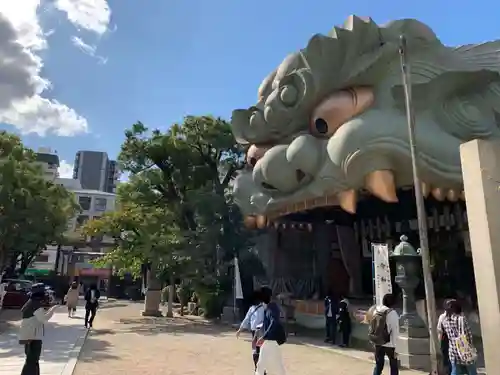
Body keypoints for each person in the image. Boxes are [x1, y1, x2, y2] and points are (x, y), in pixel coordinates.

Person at [19, 283, 58, 375]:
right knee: (32, 360)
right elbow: (44, 319)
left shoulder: (31, 302)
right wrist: (53, 309)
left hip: (28, 335)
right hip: (33, 337)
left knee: (31, 360)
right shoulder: (35, 305)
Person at [255, 286, 287, 375]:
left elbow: (274, 322)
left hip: (271, 340)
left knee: (262, 365)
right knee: (275, 365)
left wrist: (264, 337)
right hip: (270, 340)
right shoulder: (269, 307)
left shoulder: (272, 307)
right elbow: (270, 322)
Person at [441, 299, 478, 375]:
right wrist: (471, 346)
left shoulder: (444, 320)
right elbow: (467, 335)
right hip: (465, 350)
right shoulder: (461, 319)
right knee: (472, 371)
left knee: (455, 371)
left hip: (453, 350)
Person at [369, 293, 400, 375]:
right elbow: (395, 331)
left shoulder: (376, 310)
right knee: (393, 365)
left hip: (377, 341)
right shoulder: (392, 313)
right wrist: (396, 348)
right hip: (389, 343)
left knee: (378, 364)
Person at [236, 291, 265, 370]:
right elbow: (246, 319)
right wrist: (240, 330)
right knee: (255, 350)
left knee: (261, 350)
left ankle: (262, 368)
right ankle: (257, 367)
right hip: (253, 332)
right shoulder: (251, 308)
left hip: (261, 332)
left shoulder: (263, 308)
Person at [437, 300, 452, 375]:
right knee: (447, 358)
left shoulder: (443, 317)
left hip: (448, 340)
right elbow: (440, 331)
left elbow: (439, 330)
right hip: (446, 340)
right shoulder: (443, 317)